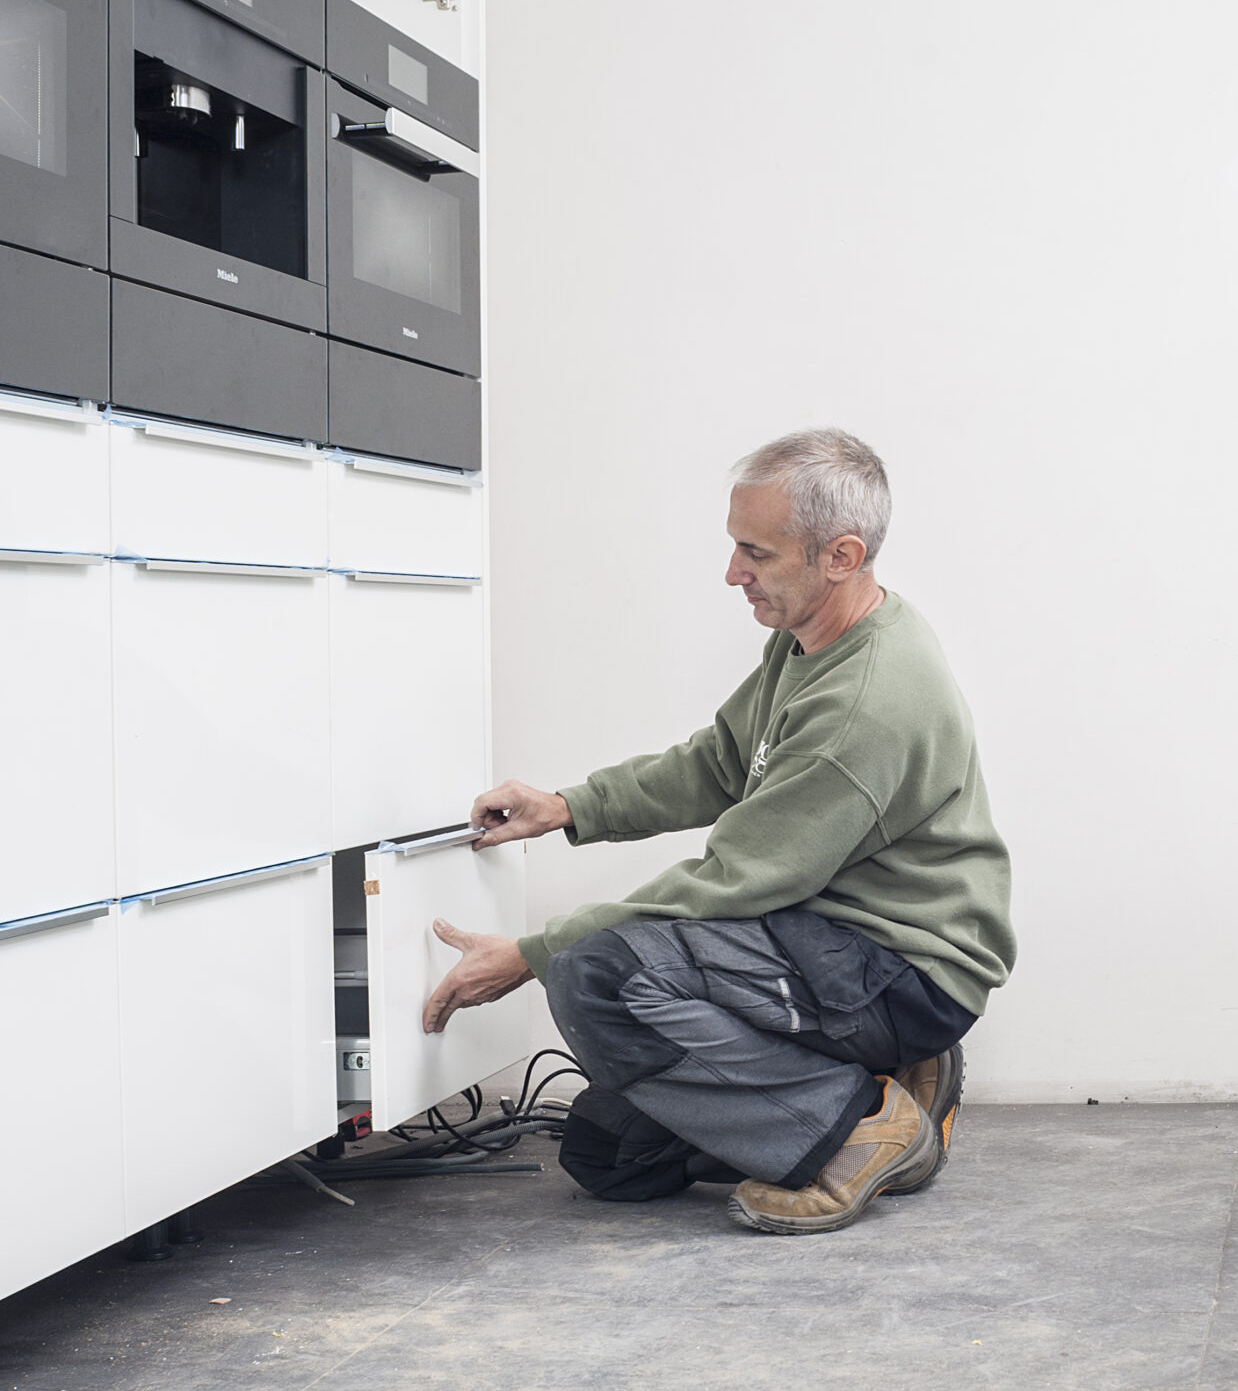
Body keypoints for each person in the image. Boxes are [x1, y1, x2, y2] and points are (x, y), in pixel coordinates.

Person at [419, 428, 1015, 1235]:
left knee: (595, 977)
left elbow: (735, 879)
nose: (733, 572)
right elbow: (723, 760)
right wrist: (570, 807)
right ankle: (880, 1084)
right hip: (816, 943)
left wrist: (532, 954)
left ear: (839, 557)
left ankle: (861, 1130)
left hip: (895, 966)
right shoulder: (810, 642)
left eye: (756, 553)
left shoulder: (866, 702)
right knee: (609, 1157)